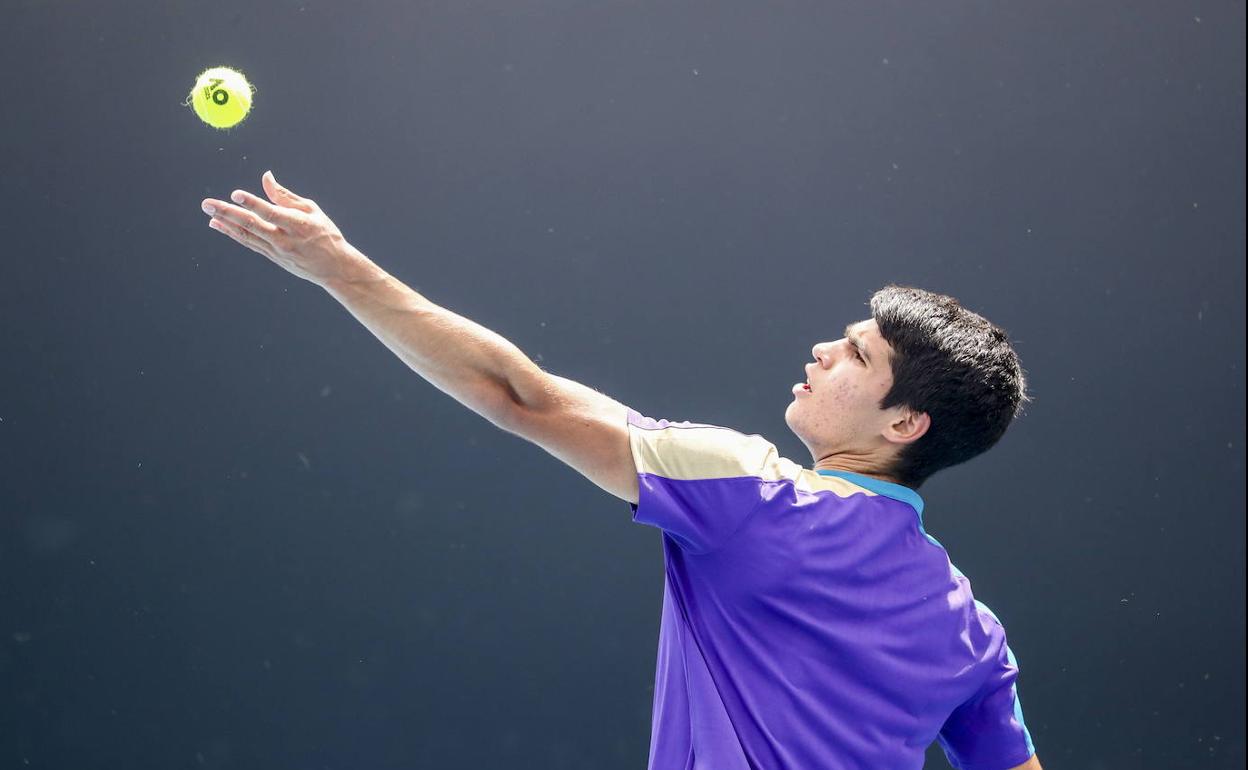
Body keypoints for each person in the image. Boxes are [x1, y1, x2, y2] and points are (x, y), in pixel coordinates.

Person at [201, 171, 1045, 770]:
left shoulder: (752, 494)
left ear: (905, 422)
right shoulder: (971, 632)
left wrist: (339, 269)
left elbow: (519, 396)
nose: (825, 349)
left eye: (857, 353)